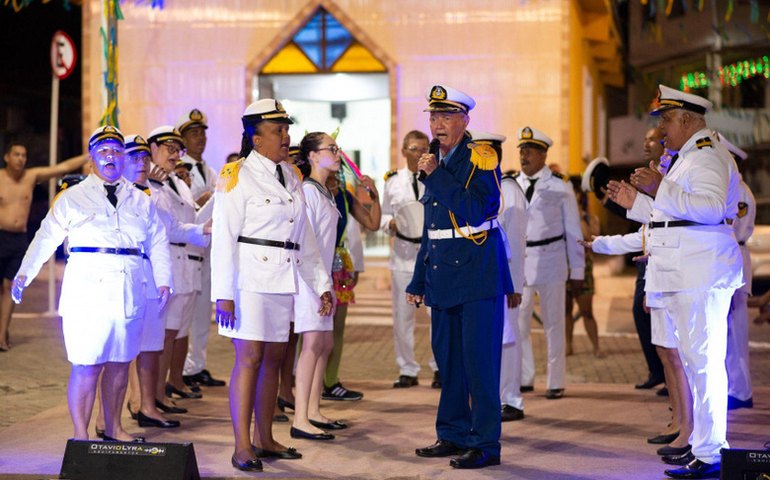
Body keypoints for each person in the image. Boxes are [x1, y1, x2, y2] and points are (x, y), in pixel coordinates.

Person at [607, 85, 743, 479]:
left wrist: (659, 187)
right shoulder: (689, 156)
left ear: (687, 119)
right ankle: (703, 442)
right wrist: (639, 202)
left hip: (701, 273)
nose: (662, 128)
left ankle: (712, 451)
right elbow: (676, 216)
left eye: (666, 119)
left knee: (703, 364)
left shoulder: (707, 156)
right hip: (688, 271)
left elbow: (711, 208)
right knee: (696, 362)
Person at [12, 126, 172, 441]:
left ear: (123, 157)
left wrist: (164, 280)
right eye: (103, 152)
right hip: (87, 293)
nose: (110, 157)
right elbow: (46, 238)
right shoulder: (72, 198)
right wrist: (24, 273)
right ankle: (80, 434)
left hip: (129, 291)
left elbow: (158, 242)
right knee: (86, 366)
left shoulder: (140, 200)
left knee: (119, 364)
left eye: (115, 151)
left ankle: (113, 427)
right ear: (92, 158)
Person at [211, 99, 333, 472]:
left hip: (283, 277)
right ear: (256, 137)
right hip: (248, 279)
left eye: (286, 129)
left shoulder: (292, 175)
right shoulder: (236, 175)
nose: (286, 136)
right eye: (278, 130)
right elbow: (224, 238)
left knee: (275, 361)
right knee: (249, 358)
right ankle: (242, 445)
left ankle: (265, 437)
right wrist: (223, 294)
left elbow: (305, 238)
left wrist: (321, 283)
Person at [407, 84, 513, 469]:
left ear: (465, 121)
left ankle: (485, 443)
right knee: (448, 362)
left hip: (476, 274)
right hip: (443, 275)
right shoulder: (435, 159)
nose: (437, 124)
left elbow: (477, 209)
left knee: (479, 363)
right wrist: (418, 279)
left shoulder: (480, 158)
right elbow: (431, 227)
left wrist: (436, 177)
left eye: (446, 116)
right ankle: (451, 433)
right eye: (433, 117)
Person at [584, 128, 668, 390]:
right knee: (647, 319)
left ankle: (669, 379)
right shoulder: (650, 175)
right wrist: (601, 243)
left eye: (651, 139)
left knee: (668, 331)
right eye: (644, 138)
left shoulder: (667, 175)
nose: (645, 143)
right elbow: (643, 224)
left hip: (666, 261)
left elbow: (658, 217)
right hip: (647, 256)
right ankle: (659, 372)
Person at [515, 126, 584, 400]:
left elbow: (574, 230)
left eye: (530, 150)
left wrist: (577, 269)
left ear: (544, 154)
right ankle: (524, 376)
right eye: (521, 150)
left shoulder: (560, 184)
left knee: (554, 324)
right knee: (518, 322)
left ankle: (555, 381)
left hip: (552, 259)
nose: (524, 155)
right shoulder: (510, 184)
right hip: (521, 262)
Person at [289, 131, 349, 441]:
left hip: (323, 278)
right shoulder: (309, 192)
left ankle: (313, 410)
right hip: (310, 279)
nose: (337, 153)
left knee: (324, 345)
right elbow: (305, 244)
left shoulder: (325, 191)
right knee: (311, 345)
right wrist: (318, 284)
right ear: (312, 155)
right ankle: (300, 418)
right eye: (331, 149)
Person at [0, 143, 88, 351]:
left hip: (19, 239)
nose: (21, 158)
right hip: (0, 236)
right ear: (6, 157)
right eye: (16, 154)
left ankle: (2, 334)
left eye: (24, 155)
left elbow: (62, 167)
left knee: (9, 286)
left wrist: (89, 155)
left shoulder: (31, 176)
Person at [147, 126, 209, 406]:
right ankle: (155, 396)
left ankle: (163, 391)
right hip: (167, 262)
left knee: (177, 331)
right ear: (152, 148)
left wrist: (203, 227)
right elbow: (167, 228)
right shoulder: (147, 182)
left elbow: (189, 217)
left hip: (185, 262)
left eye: (178, 149)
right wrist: (202, 230)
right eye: (169, 148)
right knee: (165, 334)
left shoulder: (177, 182)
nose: (175, 155)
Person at [471, 130, 528, 423]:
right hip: (486, 278)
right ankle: (496, 396)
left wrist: (515, 284)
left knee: (507, 339)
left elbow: (516, 242)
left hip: (504, 277)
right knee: (494, 339)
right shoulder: (483, 186)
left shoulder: (509, 190)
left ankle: (512, 399)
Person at [380, 130, 439, 388]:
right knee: (403, 316)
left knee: (436, 314)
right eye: (415, 149)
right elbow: (382, 215)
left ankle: (440, 367)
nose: (420, 154)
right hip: (403, 253)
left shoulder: (436, 176)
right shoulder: (393, 182)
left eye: (424, 148)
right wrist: (389, 224)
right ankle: (407, 369)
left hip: (431, 254)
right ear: (404, 150)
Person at [321, 160, 381, 401]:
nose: (337, 159)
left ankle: (330, 382)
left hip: (337, 265)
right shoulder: (308, 189)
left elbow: (373, 224)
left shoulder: (344, 195)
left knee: (336, 328)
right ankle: (300, 384)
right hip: (314, 264)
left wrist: (375, 196)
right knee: (310, 330)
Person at [177, 109, 226, 392]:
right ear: (182, 139)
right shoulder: (179, 171)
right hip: (187, 245)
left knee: (202, 313)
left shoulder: (209, 170)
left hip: (207, 250)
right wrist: (203, 197)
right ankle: (183, 369)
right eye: (194, 134)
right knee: (186, 313)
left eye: (203, 133)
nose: (201, 139)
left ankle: (197, 365)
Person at [716, 134, 755, 411]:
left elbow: (734, 229)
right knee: (729, 330)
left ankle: (741, 391)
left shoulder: (738, 192)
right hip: (733, 256)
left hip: (735, 257)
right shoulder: (735, 188)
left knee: (735, 331)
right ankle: (736, 388)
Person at [565, 176, 605, 358]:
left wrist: (579, 214)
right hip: (564, 266)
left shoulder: (589, 218)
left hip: (584, 267)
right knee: (565, 310)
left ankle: (596, 347)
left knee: (587, 311)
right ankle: (568, 345)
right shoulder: (561, 217)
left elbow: (590, 238)